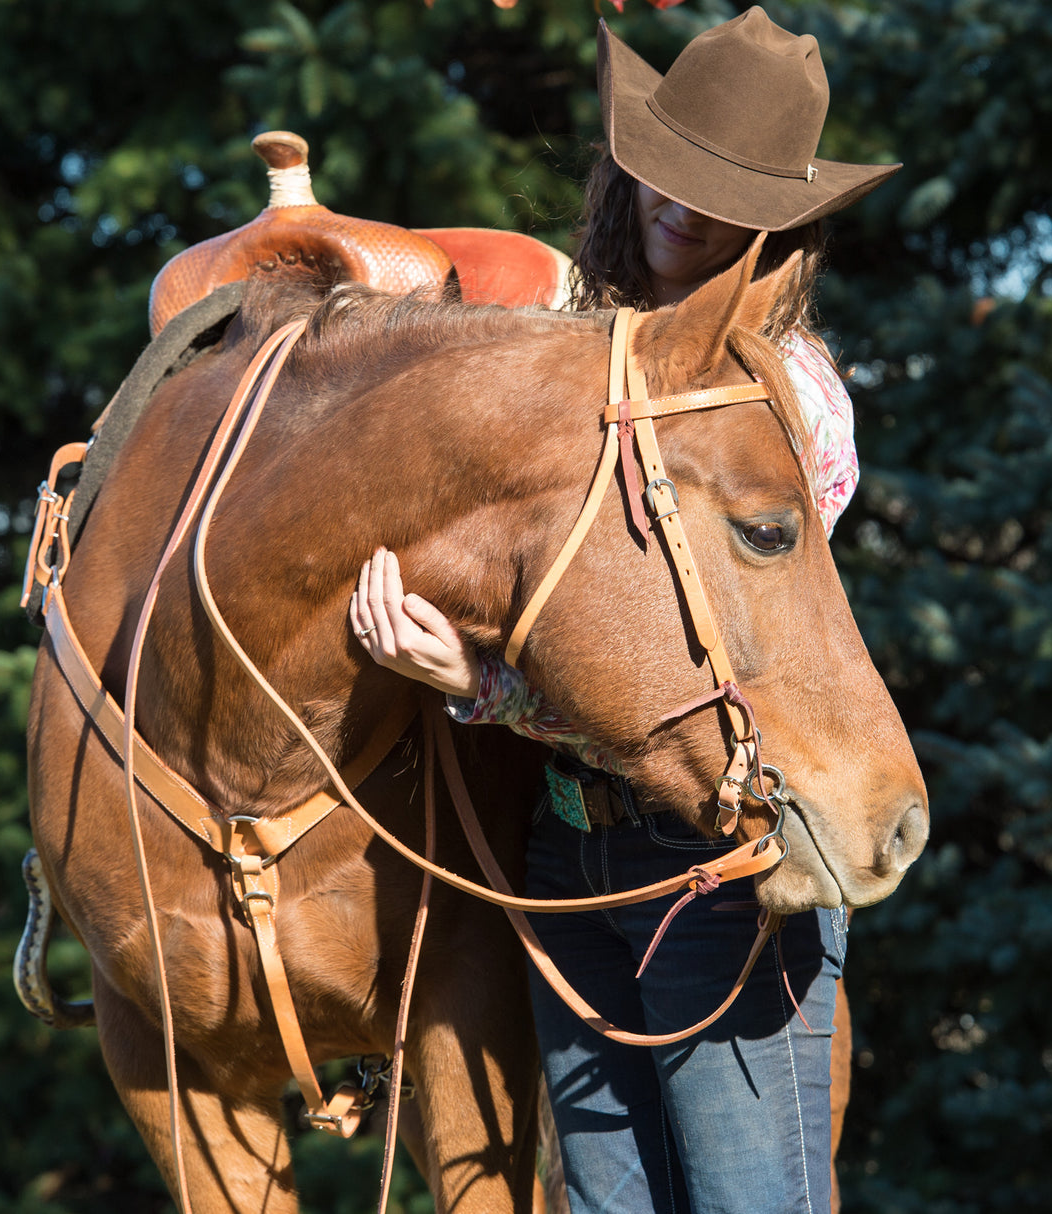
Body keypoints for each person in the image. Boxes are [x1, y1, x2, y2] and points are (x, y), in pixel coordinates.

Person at [349, 9, 899, 1212]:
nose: (685, 210)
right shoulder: (560, 349)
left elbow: (688, 658)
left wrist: (478, 681)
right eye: (671, 170)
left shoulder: (778, 393)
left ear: (776, 228)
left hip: (711, 857)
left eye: (726, 196)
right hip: (565, 853)